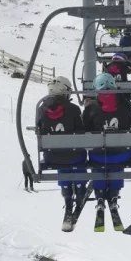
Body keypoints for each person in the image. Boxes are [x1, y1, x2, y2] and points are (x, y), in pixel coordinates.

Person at [36, 76, 87, 231]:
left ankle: (67, 197)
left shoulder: (41, 109)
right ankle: (79, 190)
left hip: (52, 157)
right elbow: (81, 131)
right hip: (75, 156)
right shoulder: (73, 109)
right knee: (77, 157)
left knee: (61, 160)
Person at [82, 73, 131, 209]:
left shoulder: (92, 107)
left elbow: (84, 127)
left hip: (99, 154)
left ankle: (100, 193)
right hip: (122, 154)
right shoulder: (123, 104)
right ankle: (114, 192)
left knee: (97, 161)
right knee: (118, 160)